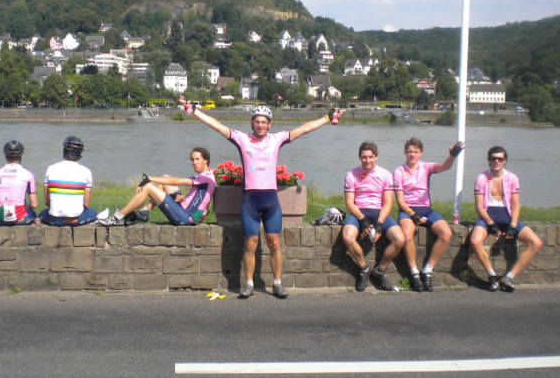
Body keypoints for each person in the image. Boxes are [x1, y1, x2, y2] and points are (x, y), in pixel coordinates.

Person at [191, 103, 343, 299]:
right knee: (250, 244)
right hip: (250, 201)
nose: (260, 125)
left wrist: (327, 118)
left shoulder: (276, 139)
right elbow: (218, 126)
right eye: (257, 122)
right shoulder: (242, 139)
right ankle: (248, 284)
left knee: (274, 243)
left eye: (264, 122)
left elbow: (304, 129)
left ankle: (277, 283)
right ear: (252, 123)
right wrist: (195, 111)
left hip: (270, 201)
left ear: (269, 124)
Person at [393, 137, 463, 292]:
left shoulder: (426, 167)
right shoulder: (399, 171)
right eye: (409, 152)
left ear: (420, 153)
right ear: (405, 153)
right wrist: (412, 214)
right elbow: (399, 200)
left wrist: (453, 155)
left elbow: (444, 167)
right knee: (407, 234)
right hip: (407, 210)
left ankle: (427, 271)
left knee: (446, 233)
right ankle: (414, 273)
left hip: (426, 209)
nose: (412, 154)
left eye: (415, 152)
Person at [470, 145, 543, 292]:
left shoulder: (512, 178)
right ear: (488, 160)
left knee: (536, 243)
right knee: (475, 241)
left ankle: (508, 277)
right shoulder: (481, 178)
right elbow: (479, 207)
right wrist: (491, 224)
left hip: (507, 216)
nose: (496, 161)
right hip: (487, 216)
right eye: (493, 159)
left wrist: (513, 226)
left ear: (505, 161)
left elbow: (515, 205)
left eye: (500, 159)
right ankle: (492, 275)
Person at [342, 141, 405, 292]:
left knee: (399, 239)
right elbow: (349, 202)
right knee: (347, 237)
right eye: (364, 157)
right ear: (360, 157)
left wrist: (379, 224)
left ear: (376, 157)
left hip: (379, 211)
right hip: (358, 211)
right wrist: (362, 219)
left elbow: (388, 202)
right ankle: (363, 268)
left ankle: (380, 270)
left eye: (370, 157)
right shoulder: (351, 175)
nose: (367, 160)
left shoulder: (385, 175)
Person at [97, 147, 216, 226]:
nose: (194, 162)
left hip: (185, 217)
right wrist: (177, 196)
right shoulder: (208, 176)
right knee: (164, 177)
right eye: (192, 160)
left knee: (148, 187)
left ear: (206, 160)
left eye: (197, 159)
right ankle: (145, 211)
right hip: (184, 211)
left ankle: (117, 218)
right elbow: (197, 199)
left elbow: (176, 181)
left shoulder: (205, 178)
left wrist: (149, 178)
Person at [38, 136, 98, 226]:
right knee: (93, 213)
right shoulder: (86, 172)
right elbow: (86, 204)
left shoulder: (51, 168)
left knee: (41, 214)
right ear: (80, 153)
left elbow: (46, 201)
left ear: (64, 151)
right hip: (76, 219)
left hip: (55, 219)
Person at [0, 140, 38, 226]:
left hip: (1, 219)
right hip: (20, 219)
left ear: (5, 155)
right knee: (34, 214)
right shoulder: (28, 174)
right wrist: (26, 208)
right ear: (21, 155)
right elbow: (34, 204)